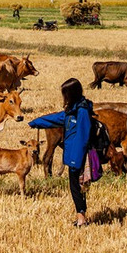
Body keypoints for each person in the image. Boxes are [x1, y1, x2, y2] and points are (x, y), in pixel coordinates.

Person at [29, 78, 93, 227]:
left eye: (65, 94)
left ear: (71, 94)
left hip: (77, 156)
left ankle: (81, 219)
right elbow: (57, 118)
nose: (63, 97)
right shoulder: (73, 109)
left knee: (76, 187)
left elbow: (83, 136)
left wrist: (75, 159)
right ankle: (81, 216)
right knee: (77, 186)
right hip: (73, 155)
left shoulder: (81, 111)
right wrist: (36, 122)